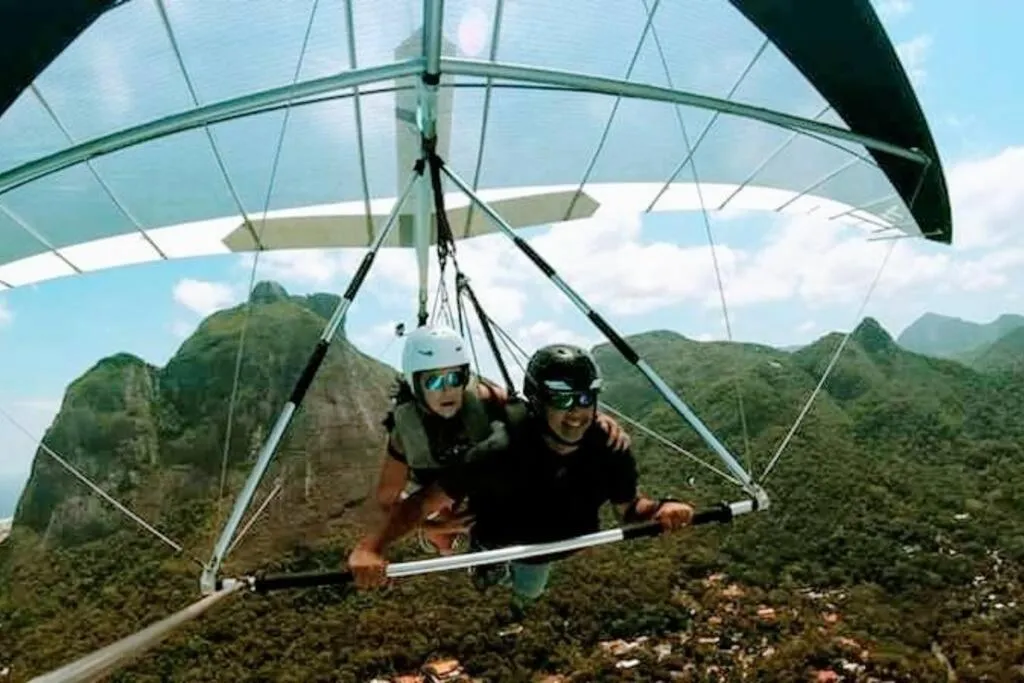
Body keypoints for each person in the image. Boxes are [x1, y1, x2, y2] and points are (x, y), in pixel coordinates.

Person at [350, 343, 694, 602]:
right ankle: (479, 553)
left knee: (529, 592)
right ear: (538, 401)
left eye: (585, 398)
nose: (577, 413)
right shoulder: (500, 449)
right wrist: (372, 547)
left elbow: (630, 509)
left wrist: (662, 509)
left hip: (550, 546)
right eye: (562, 400)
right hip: (504, 540)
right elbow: (420, 503)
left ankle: (493, 564)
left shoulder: (606, 445)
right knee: (489, 580)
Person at [372, 326, 631, 555]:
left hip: (476, 473)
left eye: (455, 378)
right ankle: (443, 545)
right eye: (434, 381)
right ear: (415, 384)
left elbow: (538, 408)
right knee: (443, 535)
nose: (447, 389)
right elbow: (387, 499)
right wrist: (431, 526)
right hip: (436, 479)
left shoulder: (484, 398)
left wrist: (593, 418)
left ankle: (488, 545)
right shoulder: (406, 432)